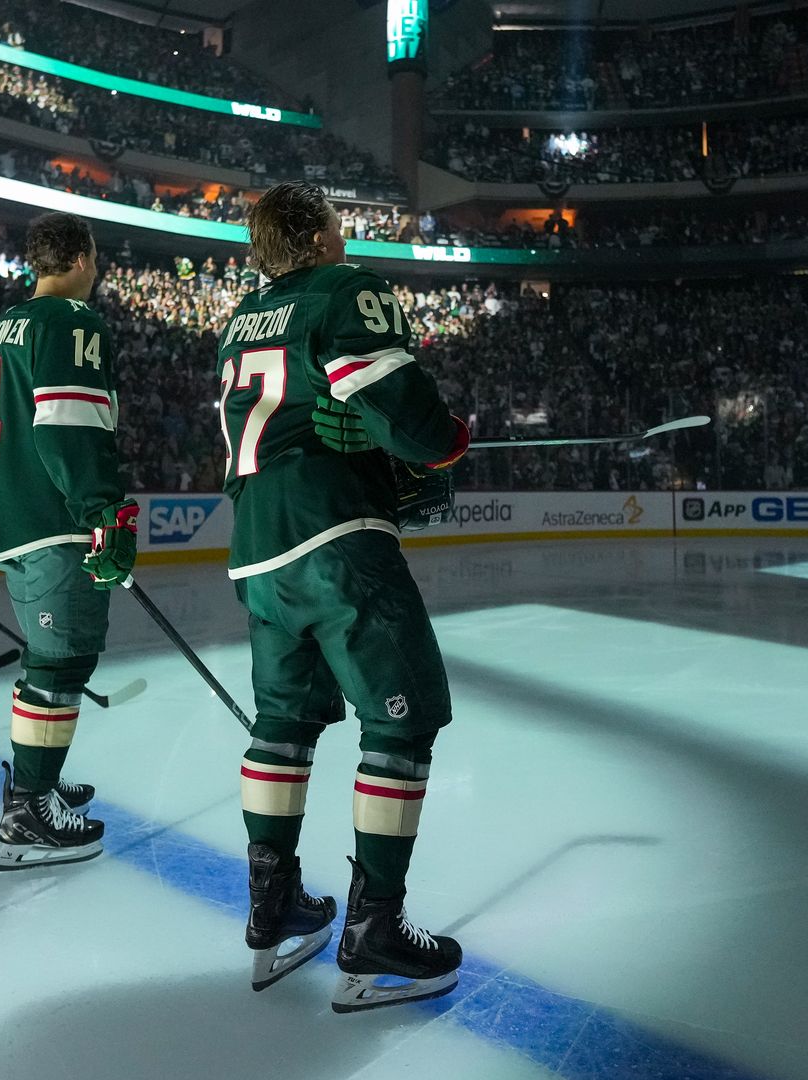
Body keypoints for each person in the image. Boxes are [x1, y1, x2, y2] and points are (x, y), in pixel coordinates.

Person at [216, 182, 469, 1011]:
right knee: (403, 718)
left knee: (281, 727)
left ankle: (273, 906)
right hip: (334, 539)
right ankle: (375, 930)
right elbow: (411, 416)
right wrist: (439, 451)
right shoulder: (345, 286)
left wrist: (374, 452)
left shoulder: (239, 321)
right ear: (318, 234)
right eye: (335, 222)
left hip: (258, 547)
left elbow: (302, 415)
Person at [0, 212, 129, 871]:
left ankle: (38, 776)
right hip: (48, 513)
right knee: (60, 661)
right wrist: (103, 510)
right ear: (82, 258)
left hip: (5, 507)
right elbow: (69, 424)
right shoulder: (73, 321)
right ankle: (28, 809)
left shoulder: (1, 325)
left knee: (55, 655)